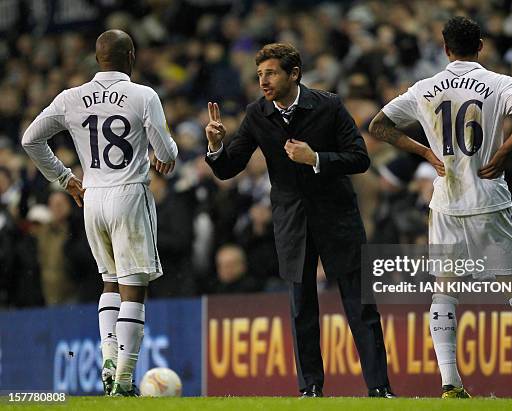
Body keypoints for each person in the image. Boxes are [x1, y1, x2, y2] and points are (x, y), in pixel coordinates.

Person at [369, 17, 512, 399]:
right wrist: (505, 151)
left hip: (446, 202)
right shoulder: (498, 83)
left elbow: (379, 126)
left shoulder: (425, 88)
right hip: (489, 198)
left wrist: (425, 151)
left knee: (445, 290)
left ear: (445, 49)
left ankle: (451, 384)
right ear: (481, 46)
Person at [203, 43, 393, 398]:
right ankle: (310, 389)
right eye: (260, 74)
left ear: (294, 74)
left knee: (360, 305)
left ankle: (379, 388)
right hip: (291, 220)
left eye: (271, 73)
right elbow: (230, 168)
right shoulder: (257, 114)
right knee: (301, 307)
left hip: (337, 215)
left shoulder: (329, 105)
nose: (263, 81)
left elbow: (360, 158)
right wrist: (216, 147)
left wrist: (316, 158)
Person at [21, 30, 178, 396]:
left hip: (91, 196)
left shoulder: (71, 98)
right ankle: (124, 378)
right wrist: (160, 152)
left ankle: (109, 363)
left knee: (109, 280)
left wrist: (64, 177)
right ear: (132, 55)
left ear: (97, 58)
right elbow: (167, 155)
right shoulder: (143, 95)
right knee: (133, 287)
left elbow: (30, 139)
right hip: (129, 194)